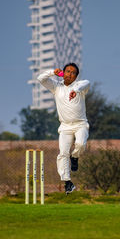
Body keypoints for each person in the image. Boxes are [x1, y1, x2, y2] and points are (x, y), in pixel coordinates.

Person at [37, 63, 90, 194]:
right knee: (63, 153)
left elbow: (87, 83)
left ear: (76, 76)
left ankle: (75, 157)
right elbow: (40, 79)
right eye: (67, 71)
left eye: (73, 73)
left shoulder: (79, 86)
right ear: (63, 73)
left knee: (80, 144)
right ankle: (67, 182)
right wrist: (52, 72)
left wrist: (75, 91)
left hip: (80, 124)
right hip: (65, 126)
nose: (70, 74)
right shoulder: (56, 87)